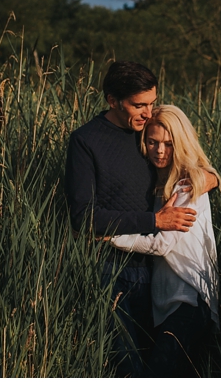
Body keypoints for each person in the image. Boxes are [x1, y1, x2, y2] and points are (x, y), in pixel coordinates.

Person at [65, 62, 203, 376]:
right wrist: (155, 221)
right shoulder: (86, 141)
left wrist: (210, 178)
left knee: (151, 358)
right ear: (113, 100)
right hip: (107, 268)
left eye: (152, 103)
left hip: (152, 270)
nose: (147, 112)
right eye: (138, 105)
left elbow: (187, 157)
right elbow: (84, 218)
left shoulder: (150, 134)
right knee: (127, 365)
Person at [109, 105, 220, 377]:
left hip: (190, 301)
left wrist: (112, 237)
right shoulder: (159, 185)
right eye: (153, 142)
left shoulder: (187, 185)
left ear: (180, 144)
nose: (160, 151)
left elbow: (162, 244)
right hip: (169, 305)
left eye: (169, 144)